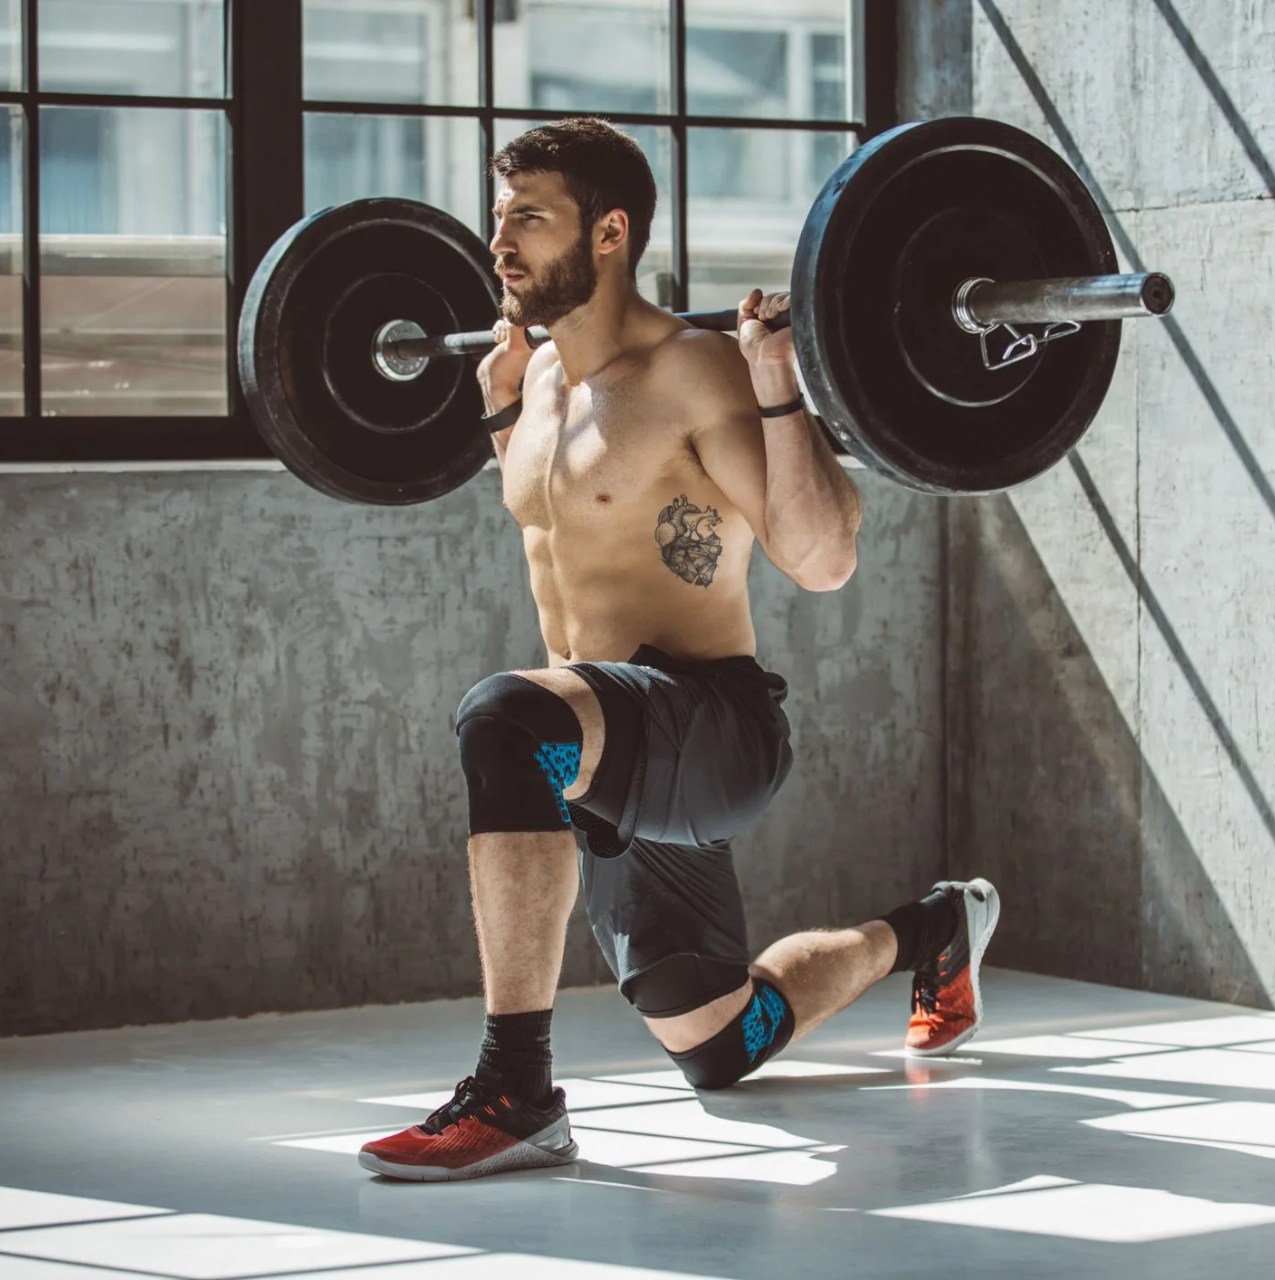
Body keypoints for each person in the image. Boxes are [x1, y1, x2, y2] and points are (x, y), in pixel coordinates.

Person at [358, 118, 1000, 1182]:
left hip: (711, 726)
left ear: (609, 233)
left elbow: (824, 557)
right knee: (721, 1042)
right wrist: (502, 411)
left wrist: (777, 380)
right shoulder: (538, 389)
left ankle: (517, 1089)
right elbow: (568, 534)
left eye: (529, 216)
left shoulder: (695, 371)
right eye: (498, 212)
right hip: (614, 761)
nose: (498, 239)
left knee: (502, 718)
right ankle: (930, 929)